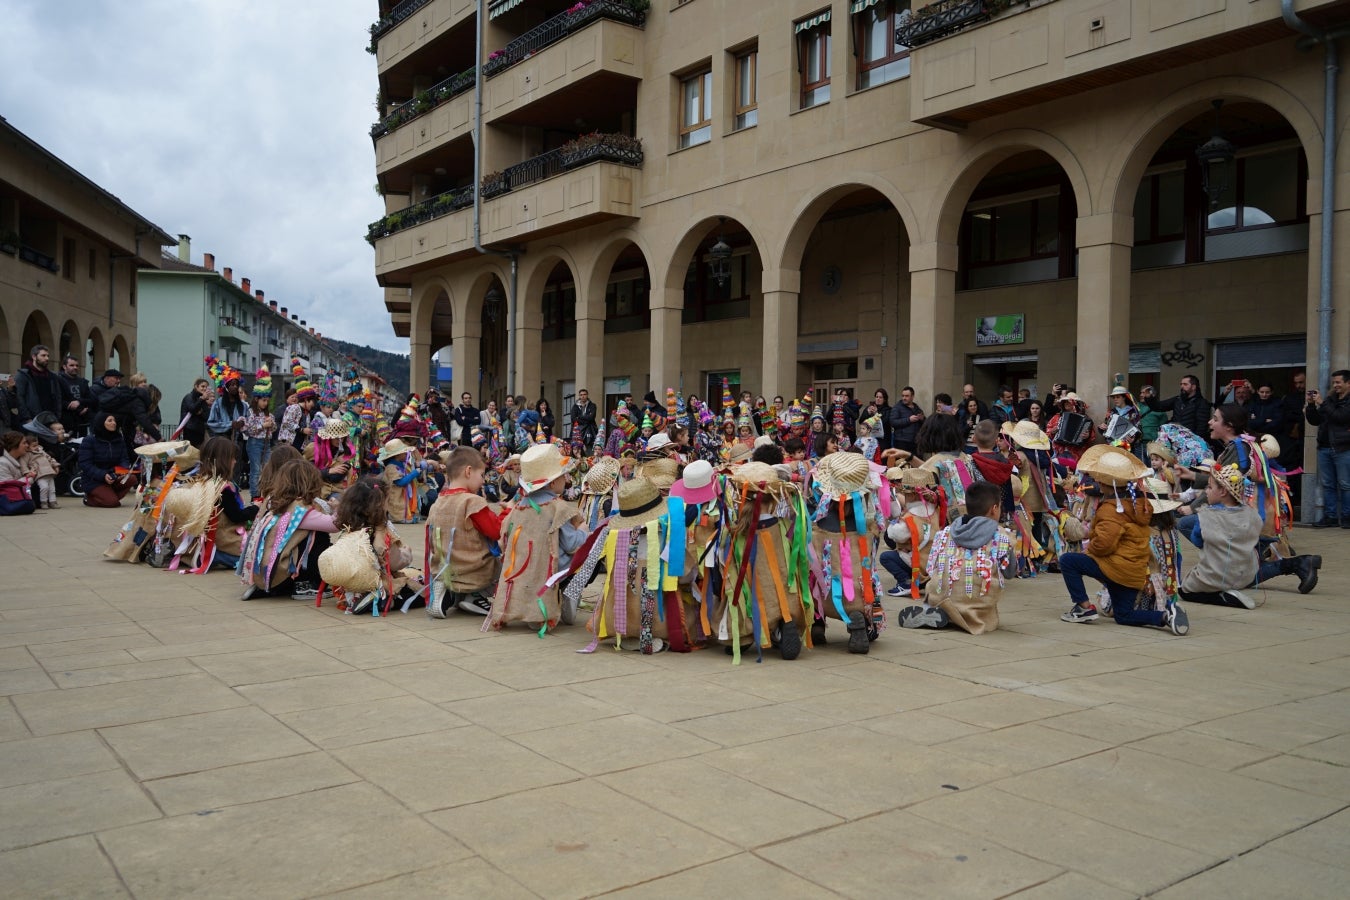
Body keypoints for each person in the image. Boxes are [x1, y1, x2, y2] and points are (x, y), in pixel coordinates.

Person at [1057, 446, 1188, 634]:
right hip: (1132, 572)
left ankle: (1084, 607)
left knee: (1068, 561)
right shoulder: (1137, 504)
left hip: (1115, 569)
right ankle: (1165, 616)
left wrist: (1090, 549)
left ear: (1105, 483)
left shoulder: (1111, 509)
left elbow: (1104, 544)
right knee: (1124, 615)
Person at [487, 443, 584, 632]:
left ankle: (532, 609)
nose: (567, 479)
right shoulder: (558, 508)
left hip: (522, 569)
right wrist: (584, 530)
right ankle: (570, 592)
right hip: (551, 570)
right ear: (553, 482)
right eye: (564, 475)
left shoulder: (517, 508)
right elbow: (572, 544)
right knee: (591, 552)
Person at [894, 481, 1013, 634]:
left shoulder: (945, 533)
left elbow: (931, 569)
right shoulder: (1001, 536)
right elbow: (1009, 573)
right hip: (976, 607)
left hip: (940, 598)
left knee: (940, 583)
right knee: (984, 591)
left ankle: (941, 612)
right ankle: (961, 617)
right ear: (994, 509)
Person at [238, 459, 338, 600]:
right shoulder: (300, 509)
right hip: (283, 573)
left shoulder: (274, 501)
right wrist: (337, 508)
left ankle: (269, 586)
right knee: (320, 535)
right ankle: (306, 584)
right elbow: (334, 525)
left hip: (266, 571)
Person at [425, 445, 506, 617]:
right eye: (482, 475)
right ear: (468, 471)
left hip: (444, 569)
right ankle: (476, 596)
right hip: (474, 570)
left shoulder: (437, 504)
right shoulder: (472, 502)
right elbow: (496, 531)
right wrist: (508, 512)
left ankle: (450, 593)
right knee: (505, 560)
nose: (483, 481)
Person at [324, 478, 416, 614]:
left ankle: (354, 598)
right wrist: (406, 553)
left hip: (348, 585)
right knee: (417, 589)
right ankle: (377, 599)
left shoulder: (348, 527)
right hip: (376, 582)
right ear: (380, 504)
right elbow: (395, 563)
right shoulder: (384, 530)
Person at [1305, 369, 1350, 528]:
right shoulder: (1331, 400)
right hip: (1324, 447)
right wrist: (1311, 405)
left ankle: (1347, 517)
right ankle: (1330, 516)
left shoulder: (1344, 402)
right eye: (1334, 382)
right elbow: (1315, 420)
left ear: (1348, 383)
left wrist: (1322, 403)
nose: (1335, 385)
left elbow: (1341, 417)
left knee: (1345, 484)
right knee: (1328, 484)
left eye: (1338, 382)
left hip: (1343, 447)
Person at [79, 414, 137, 508]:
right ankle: (89, 498)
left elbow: (124, 459)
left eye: (114, 420)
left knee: (132, 479)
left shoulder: (119, 440)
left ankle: (108, 496)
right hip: (94, 480)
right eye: (110, 421)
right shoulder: (89, 440)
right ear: (101, 423)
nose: (114, 423)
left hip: (113, 476)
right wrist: (103, 475)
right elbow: (85, 464)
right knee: (112, 503)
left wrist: (121, 471)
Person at [1142, 374, 1212, 447]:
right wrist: (1149, 398)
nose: (1182, 386)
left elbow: (1202, 427)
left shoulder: (1202, 403)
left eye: (1185, 384)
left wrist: (1194, 442)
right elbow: (1158, 406)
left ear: (1193, 387)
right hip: (1175, 440)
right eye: (1181, 384)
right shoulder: (1178, 400)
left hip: (1191, 443)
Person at [242, 368, 276, 499]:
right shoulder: (250, 412)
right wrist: (263, 425)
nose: (265, 403)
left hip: (266, 443)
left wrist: (271, 425)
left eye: (267, 400)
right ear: (256, 399)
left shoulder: (268, 414)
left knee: (267, 469)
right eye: (263, 400)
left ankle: (266, 493)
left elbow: (274, 429)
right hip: (254, 443)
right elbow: (248, 430)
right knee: (255, 470)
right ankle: (255, 496)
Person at [14, 345, 62, 425]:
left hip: (50, 419)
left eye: (48, 356)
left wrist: (57, 416)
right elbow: (19, 397)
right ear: (34, 356)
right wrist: (27, 418)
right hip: (32, 420)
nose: (47, 358)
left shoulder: (52, 376)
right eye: (43, 355)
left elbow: (58, 397)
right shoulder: (23, 375)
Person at [0, 431, 37, 515]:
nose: (27, 445)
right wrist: (29, 478)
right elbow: (7, 487)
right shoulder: (2, 463)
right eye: (24, 443)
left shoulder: (22, 460)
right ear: (14, 445)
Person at [56, 355, 93, 436]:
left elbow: (90, 399)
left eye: (77, 365)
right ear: (64, 367)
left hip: (82, 420)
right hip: (65, 420)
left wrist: (81, 404)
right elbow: (56, 399)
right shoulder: (58, 380)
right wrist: (69, 406)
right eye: (71, 365)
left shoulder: (83, 382)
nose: (75, 367)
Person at [21, 434, 60, 509]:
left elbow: (50, 458)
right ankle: (43, 502)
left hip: (49, 472)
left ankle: (53, 501)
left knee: (52, 489)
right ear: (28, 447)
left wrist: (55, 465)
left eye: (37, 445)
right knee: (44, 488)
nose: (37, 447)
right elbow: (23, 464)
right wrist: (27, 472)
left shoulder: (42, 452)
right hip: (40, 474)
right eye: (34, 446)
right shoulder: (27, 455)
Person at [179, 378, 212, 447]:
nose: (205, 389)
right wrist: (201, 399)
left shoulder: (203, 400)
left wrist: (200, 413)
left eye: (206, 387)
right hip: (189, 431)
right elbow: (193, 409)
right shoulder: (189, 397)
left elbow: (207, 416)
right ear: (196, 386)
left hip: (200, 432)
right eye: (202, 386)